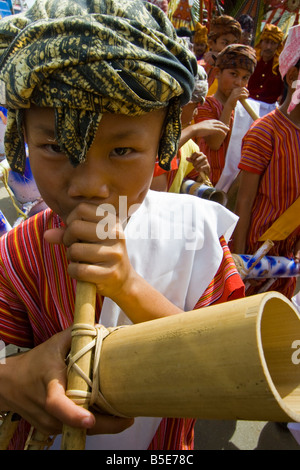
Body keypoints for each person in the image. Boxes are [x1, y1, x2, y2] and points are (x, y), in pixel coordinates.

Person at [0, 0, 244, 450]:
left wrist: (129, 286)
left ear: (164, 142)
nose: (89, 186)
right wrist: (11, 379)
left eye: (121, 151)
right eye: (55, 146)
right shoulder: (18, 254)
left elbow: (232, 373)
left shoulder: (197, 237)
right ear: (21, 141)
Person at [230, 24, 300, 299]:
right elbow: (243, 202)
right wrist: (241, 263)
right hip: (255, 260)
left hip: (287, 266)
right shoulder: (266, 131)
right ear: (293, 74)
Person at [194, 44, 257, 188]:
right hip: (207, 181)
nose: (238, 83)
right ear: (217, 72)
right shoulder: (206, 104)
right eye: (233, 74)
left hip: (232, 184)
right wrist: (229, 106)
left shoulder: (245, 110)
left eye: (245, 78)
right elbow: (214, 143)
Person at [247, 24, 284, 117]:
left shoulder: (281, 66)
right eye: (266, 42)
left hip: (268, 111)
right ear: (261, 42)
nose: (268, 47)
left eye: (273, 43)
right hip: (246, 105)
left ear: (278, 46)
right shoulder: (251, 60)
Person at [200, 15, 242, 96]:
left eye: (234, 43)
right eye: (225, 43)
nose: (230, 48)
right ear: (211, 43)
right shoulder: (199, 67)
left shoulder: (238, 72)